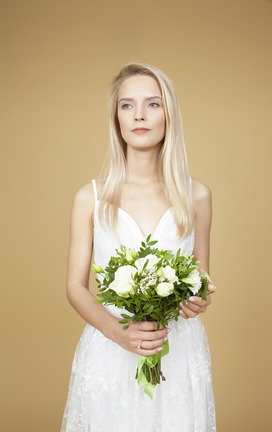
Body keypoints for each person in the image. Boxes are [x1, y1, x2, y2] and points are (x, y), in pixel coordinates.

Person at [61, 62, 216, 432]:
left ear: (169, 114)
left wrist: (197, 300)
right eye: (127, 105)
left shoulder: (197, 195)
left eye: (153, 104)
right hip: (109, 350)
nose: (140, 115)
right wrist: (117, 332)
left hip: (177, 351)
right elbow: (74, 287)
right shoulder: (91, 197)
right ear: (116, 119)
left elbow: (202, 281)